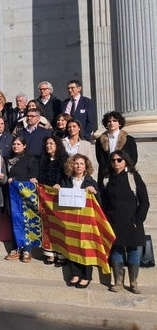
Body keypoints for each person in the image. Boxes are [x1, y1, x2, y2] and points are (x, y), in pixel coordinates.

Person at [101, 150, 149, 294]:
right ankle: (118, 282)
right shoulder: (106, 178)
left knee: (133, 250)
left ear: (125, 161)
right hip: (113, 222)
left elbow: (144, 201)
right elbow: (103, 201)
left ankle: (133, 282)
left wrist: (138, 220)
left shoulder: (133, 177)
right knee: (116, 250)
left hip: (132, 221)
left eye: (119, 159)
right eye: (113, 160)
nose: (116, 162)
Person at [55, 154, 100, 288]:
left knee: (86, 247)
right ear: (71, 166)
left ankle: (86, 276)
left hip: (86, 223)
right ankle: (75, 273)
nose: (78, 166)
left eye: (81, 164)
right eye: (76, 163)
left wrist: (94, 193)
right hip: (70, 221)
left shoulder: (91, 182)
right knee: (72, 246)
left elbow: (99, 203)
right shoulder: (66, 180)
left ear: (86, 167)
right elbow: (59, 200)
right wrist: (56, 189)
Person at [34, 135, 68, 265]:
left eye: (51, 144)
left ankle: (61, 255)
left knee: (59, 226)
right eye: (47, 144)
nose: (48, 146)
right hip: (45, 197)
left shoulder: (65, 159)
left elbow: (68, 178)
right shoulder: (43, 159)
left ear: (57, 145)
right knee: (47, 225)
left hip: (59, 197)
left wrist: (60, 184)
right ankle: (50, 254)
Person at [5, 136, 39, 263]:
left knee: (26, 221)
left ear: (24, 146)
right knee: (14, 221)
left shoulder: (30, 159)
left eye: (18, 144)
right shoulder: (8, 159)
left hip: (25, 197)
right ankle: (16, 248)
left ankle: (27, 250)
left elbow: (33, 177)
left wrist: (17, 180)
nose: (15, 146)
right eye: (14, 144)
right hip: (11, 196)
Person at [95, 111, 138, 186]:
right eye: (109, 121)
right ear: (106, 124)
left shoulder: (129, 139)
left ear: (120, 123)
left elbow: (133, 157)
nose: (111, 123)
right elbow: (100, 159)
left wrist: (126, 169)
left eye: (114, 121)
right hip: (106, 174)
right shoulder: (99, 140)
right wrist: (107, 171)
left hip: (124, 173)